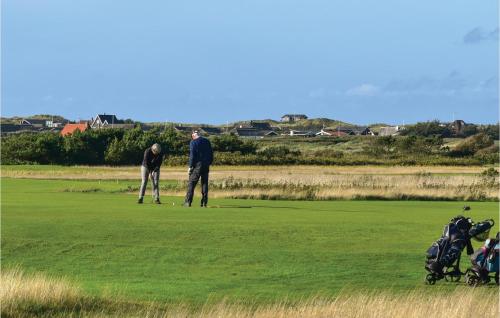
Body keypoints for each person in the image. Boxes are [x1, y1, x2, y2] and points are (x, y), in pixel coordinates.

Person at [184, 130, 213, 207]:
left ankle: (188, 202)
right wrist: (209, 163)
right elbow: (211, 153)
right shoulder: (207, 141)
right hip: (206, 165)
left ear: (193, 135)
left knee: (191, 183)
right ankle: (204, 202)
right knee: (204, 183)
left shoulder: (193, 142)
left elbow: (192, 155)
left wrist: (190, 166)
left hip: (198, 165)